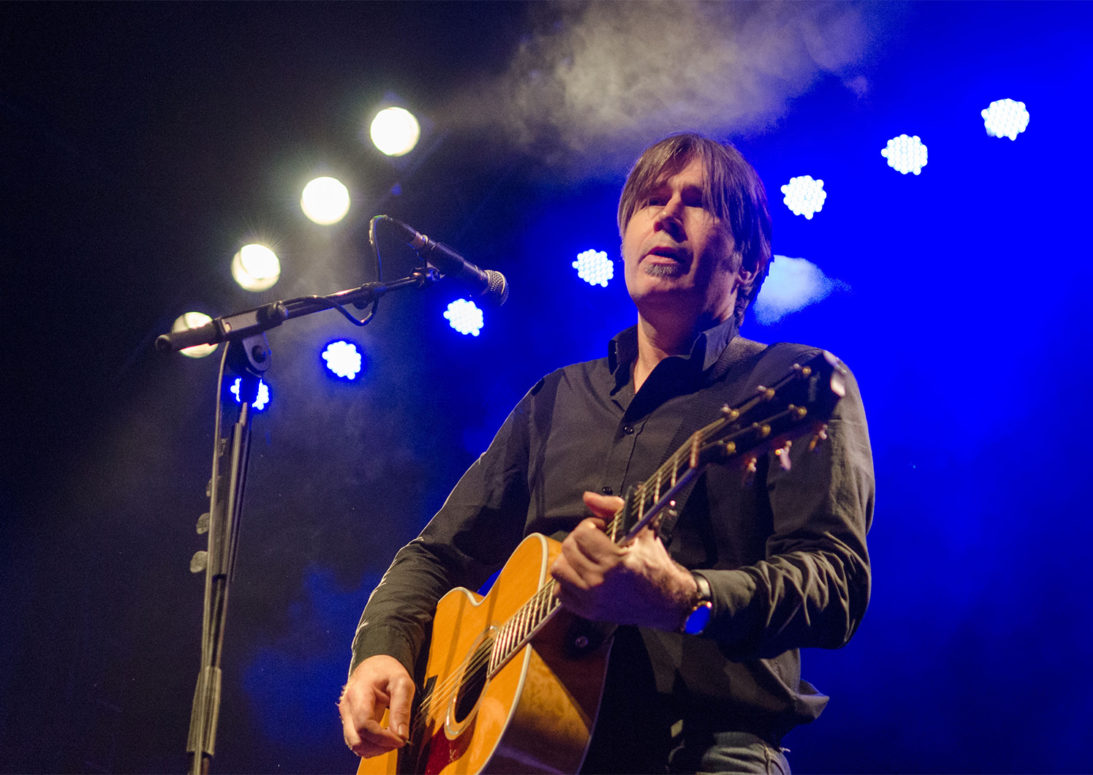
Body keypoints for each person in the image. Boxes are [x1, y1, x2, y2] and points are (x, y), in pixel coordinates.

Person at [339, 132, 874, 774]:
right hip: (531, 754)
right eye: (651, 201)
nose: (667, 216)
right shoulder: (557, 398)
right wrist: (386, 652)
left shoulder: (791, 385)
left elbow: (836, 582)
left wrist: (687, 595)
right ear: (624, 240)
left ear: (751, 262)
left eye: (698, 203)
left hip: (704, 752)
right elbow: (435, 556)